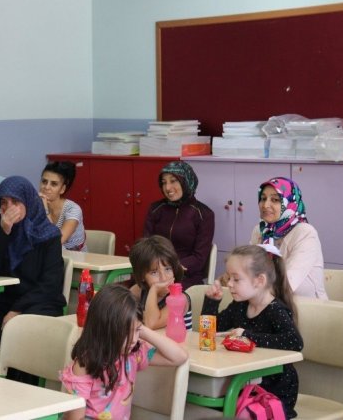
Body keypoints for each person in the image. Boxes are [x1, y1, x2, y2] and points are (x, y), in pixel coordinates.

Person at [0, 175, 66, 375]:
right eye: (4, 202)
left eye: (15, 202)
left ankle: (21, 388)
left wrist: (18, 310)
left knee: (21, 335)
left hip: (38, 302)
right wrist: (3, 232)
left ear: (28, 201)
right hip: (4, 301)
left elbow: (51, 284)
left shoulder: (48, 235)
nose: (9, 208)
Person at [203, 245, 303, 419]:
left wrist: (246, 335)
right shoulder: (240, 305)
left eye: (236, 279)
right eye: (228, 278)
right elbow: (211, 331)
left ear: (259, 280)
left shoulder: (275, 310)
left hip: (274, 391)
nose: (229, 284)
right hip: (246, 386)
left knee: (239, 415)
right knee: (207, 408)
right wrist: (211, 302)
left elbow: (295, 342)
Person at [61, 284, 188, 420]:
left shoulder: (133, 354)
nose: (133, 339)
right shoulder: (85, 364)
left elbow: (179, 357)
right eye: (126, 332)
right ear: (106, 329)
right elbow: (75, 419)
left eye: (137, 331)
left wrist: (140, 328)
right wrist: (135, 326)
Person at [249, 177, 327, 299]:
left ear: (290, 203)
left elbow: (287, 284)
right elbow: (249, 269)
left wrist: (245, 285)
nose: (265, 205)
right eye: (263, 198)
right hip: (265, 301)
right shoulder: (260, 230)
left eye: (275, 200)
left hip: (307, 306)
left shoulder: (305, 233)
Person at [143, 161, 214, 289]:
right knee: (128, 295)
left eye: (173, 181)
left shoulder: (204, 214)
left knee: (164, 296)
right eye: (164, 182)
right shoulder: (155, 209)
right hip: (153, 273)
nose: (167, 188)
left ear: (187, 181)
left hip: (186, 277)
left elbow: (199, 258)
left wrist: (168, 269)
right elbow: (145, 246)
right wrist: (155, 270)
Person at [129, 235, 192, 331]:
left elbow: (152, 324)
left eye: (168, 269)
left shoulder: (180, 298)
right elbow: (120, 314)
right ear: (142, 276)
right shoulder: (138, 291)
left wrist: (154, 290)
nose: (164, 278)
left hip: (178, 341)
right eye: (154, 272)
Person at [39, 161, 87, 251]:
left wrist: (45, 209)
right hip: (48, 254)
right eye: (44, 182)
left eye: (54, 184)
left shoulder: (73, 209)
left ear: (62, 189)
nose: (46, 187)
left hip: (74, 256)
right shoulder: (36, 205)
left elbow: (55, 242)